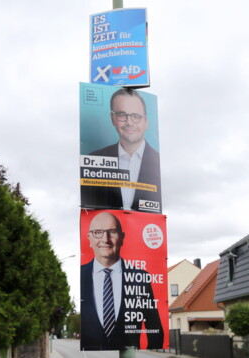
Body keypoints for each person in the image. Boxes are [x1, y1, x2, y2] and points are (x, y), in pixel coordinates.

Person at [80, 212, 164, 351]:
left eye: (112, 232)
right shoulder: (81, 275)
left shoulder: (141, 278)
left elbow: (155, 331)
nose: (105, 239)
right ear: (89, 238)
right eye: (98, 232)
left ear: (122, 238)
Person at [81, 88, 162, 213]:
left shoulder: (158, 162)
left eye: (136, 116)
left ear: (146, 122)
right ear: (113, 118)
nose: (129, 122)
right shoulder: (94, 159)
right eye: (122, 115)